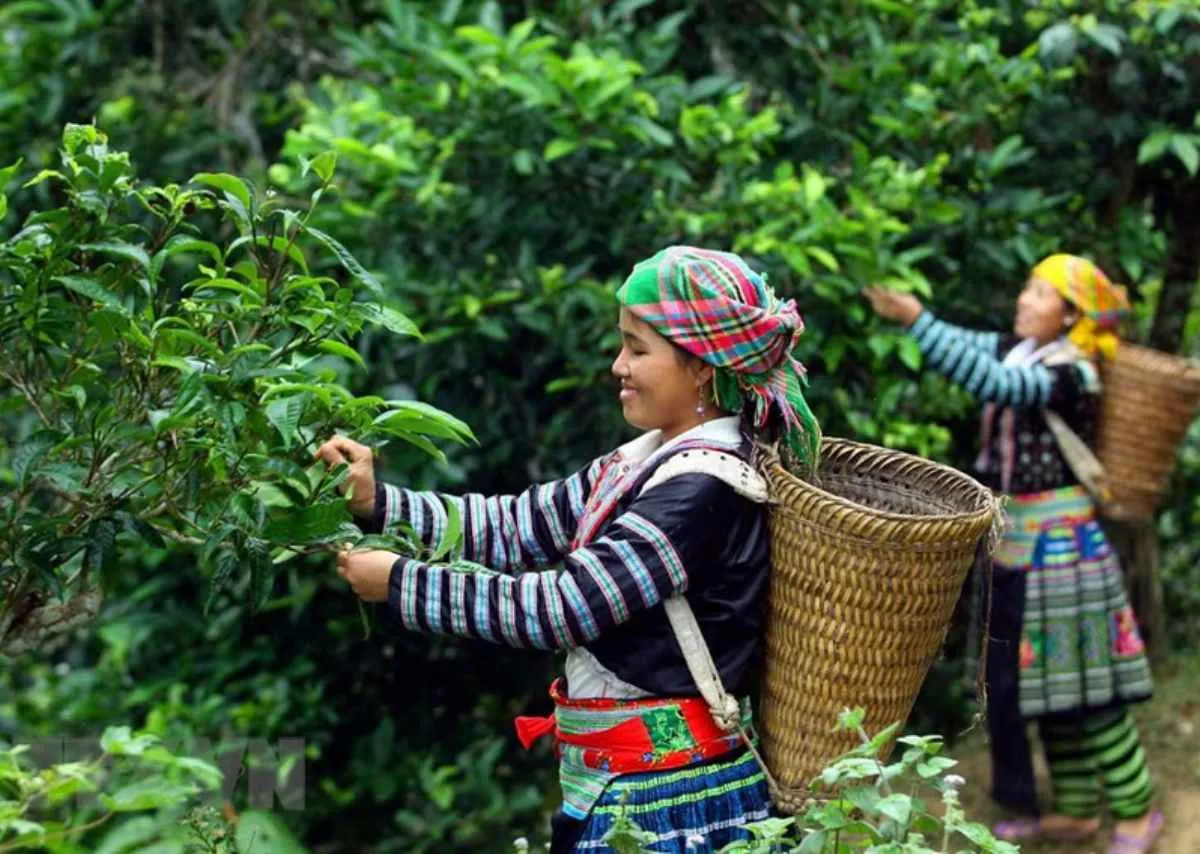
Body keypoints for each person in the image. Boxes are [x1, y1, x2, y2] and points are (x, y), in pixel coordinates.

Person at [316, 246, 820, 853]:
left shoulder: (699, 490)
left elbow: (563, 607)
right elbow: (517, 523)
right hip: (625, 786)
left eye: (638, 350)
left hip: (669, 804)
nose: (618, 366)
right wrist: (379, 504)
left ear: (702, 367)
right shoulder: (643, 464)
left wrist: (402, 584)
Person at [865, 254, 1163, 853]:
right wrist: (912, 319)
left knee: (1089, 686)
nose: (1023, 300)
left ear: (1072, 315)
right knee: (1046, 686)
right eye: (1027, 288)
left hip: (1064, 550)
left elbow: (995, 384)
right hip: (1021, 544)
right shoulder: (1019, 347)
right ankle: (1078, 810)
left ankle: (1137, 812)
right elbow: (961, 342)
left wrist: (918, 319)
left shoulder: (1072, 371)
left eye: (1039, 292)